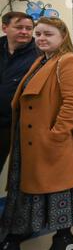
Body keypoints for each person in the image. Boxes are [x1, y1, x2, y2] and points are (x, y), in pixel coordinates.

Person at [0, 17, 73, 250]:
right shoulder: (43, 60)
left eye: (47, 34)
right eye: (38, 33)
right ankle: (14, 242)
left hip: (51, 144)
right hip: (31, 144)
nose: (40, 38)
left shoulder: (68, 61)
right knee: (28, 196)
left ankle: (57, 240)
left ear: (63, 36)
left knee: (56, 197)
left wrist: (54, 137)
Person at [0, 12, 38, 174]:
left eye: (29, 28)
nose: (24, 32)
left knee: (25, 174)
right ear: (5, 28)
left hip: (20, 124)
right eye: (19, 27)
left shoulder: (40, 53)